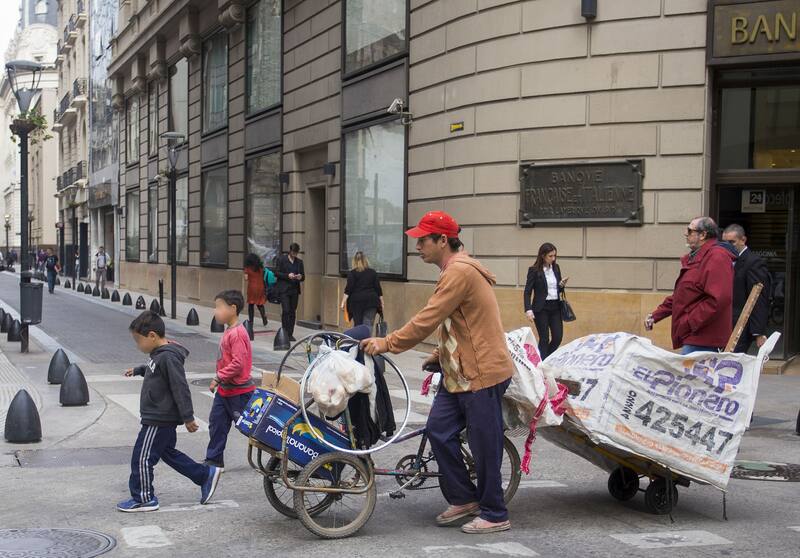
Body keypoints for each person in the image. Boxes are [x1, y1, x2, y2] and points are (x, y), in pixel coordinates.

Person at [361, 210, 513, 534]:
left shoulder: (459, 271)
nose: (417, 246)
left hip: (482, 373)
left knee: (484, 444)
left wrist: (387, 343)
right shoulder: (451, 269)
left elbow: (428, 318)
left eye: (423, 239)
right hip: (459, 372)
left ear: (443, 240)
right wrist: (438, 354)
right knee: (439, 430)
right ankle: (464, 498)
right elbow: (456, 323)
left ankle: (495, 513)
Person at [117, 311, 221, 512]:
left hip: (158, 418)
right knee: (168, 453)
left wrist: (188, 417)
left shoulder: (168, 357)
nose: (138, 346)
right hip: (158, 416)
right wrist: (139, 370)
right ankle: (203, 475)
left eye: (139, 341)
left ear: (152, 336)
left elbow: (179, 387)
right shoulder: (159, 355)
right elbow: (154, 368)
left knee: (142, 457)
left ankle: (144, 498)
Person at [646, 217, 735, 354]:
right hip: (695, 336)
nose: (685, 234)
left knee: (686, 374)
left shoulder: (717, 257)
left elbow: (718, 299)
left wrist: (689, 322)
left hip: (705, 339)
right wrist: (656, 315)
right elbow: (682, 295)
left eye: (690, 231)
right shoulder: (697, 257)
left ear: (703, 235)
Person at [205, 290, 255, 471]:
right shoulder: (230, 331)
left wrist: (218, 377)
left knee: (251, 428)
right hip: (225, 391)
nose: (215, 311)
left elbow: (238, 363)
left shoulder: (237, 334)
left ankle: (278, 453)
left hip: (239, 392)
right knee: (217, 424)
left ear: (232, 308)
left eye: (219, 307)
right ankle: (214, 460)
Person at [721, 224, 771, 354]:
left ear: (743, 240)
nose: (728, 246)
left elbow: (758, 297)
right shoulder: (723, 260)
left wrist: (758, 332)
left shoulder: (754, 262)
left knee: (731, 365)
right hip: (723, 323)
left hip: (741, 325)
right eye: (725, 242)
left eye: (732, 242)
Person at [523, 242, 568, 359]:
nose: (553, 259)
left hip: (555, 307)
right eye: (550, 256)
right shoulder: (534, 270)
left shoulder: (556, 268)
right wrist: (528, 310)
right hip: (541, 308)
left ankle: (543, 360)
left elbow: (557, 288)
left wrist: (561, 285)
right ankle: (541, 367)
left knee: (558, 337)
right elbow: (527, 291)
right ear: (543, 255)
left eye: (554, 256)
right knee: (544, 339)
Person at [341, 251, 384, 328]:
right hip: (371, 301)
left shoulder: (352, 273)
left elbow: (348, 289)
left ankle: (360, 340)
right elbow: (378, 289)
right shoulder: (372, 272)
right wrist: (382, 302)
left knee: (358, 326)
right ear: (366, 260)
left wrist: (343, 302)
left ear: (354, 261)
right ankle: (367, 339)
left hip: (356, 303)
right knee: (368, 325)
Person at [274, 243, 304, 341]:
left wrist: (300, 277)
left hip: (294, 290)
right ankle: (284, 332)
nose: (295, 255)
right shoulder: (282, 260)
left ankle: (290, 333)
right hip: (284, 290)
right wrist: (287, 275)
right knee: (286, 310)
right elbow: (277, 273)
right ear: (290, 251)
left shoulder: (299, 262)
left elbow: (303, 276)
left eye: (296, 253)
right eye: (293, 253)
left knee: (292, 312)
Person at [243, 253, 268, 328]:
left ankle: (251, 321)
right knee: (260, 303)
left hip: (252, 288)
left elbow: (246, 278)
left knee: (251, 304)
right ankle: (264, 317)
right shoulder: (260, 268)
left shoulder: (247, 268)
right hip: (261, 287)